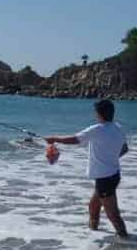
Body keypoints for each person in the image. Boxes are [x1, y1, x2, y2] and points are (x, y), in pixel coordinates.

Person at [45, 99, 129, 238]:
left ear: (99, 114)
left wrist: (54, 138)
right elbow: (125, 149)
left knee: (113, 215)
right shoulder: (118, 128)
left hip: (105, 179)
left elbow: (75, 139)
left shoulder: (97, 129)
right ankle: (92, 235)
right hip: (113, 175)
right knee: (93, 206)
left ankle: (126, 243)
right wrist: (110, 158)